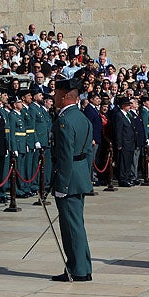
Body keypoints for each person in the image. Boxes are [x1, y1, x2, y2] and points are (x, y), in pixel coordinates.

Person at [49, 76, 94, 282]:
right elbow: (89, 151)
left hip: (69, 178)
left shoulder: (65, 121)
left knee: (70, 227)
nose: (54, 97)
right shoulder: (83, 118)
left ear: (66, 96)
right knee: (77, 224)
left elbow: (65, 155)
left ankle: (77, 269)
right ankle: (83, 266)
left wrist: (62, 184)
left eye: (57, 94)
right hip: (81, 175)